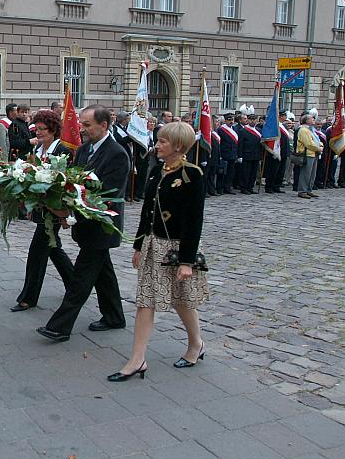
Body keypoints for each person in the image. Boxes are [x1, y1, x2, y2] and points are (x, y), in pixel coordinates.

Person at [108, 122, 208, 382]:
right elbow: (146, 213)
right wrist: (139, 246)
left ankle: (196, 344)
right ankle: (137, 359)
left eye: (163, 141)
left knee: (181, 300)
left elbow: (194, 221)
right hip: (154, 245)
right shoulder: (156, 171)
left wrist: (186, 261)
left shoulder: (191, 174)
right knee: (145, 300)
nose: (157, 145)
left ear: (178, 146)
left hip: (176, 248)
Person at [37, 105, 129, 341]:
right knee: (104, 273)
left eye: (87, 125)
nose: (82, 128)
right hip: (87, 225)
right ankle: (114, 317)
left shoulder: (117, 153)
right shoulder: (86, 148)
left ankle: (59, 326)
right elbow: (75, 183)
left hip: (102, 226)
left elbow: (105, 194)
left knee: (82, 278)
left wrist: (72, 212)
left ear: (104, 125)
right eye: (81, 123)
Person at [12, 110, 74, 312]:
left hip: (54, 210)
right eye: (36, 129)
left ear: (53, 129)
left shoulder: (62, 150)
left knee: (37, 253)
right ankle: (76, 285)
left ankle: (28, 297)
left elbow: (64, 182)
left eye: (42, 129)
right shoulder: (38, 150)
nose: (38, 133)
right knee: (54, 249)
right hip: (41, 208)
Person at [295, 113, 323, 199]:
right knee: (306, 173)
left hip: (313, 153)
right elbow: (308, 143)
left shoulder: (311, 130)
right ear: (307, 121)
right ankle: (302, 190)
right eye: (312, 119)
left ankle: (309, 189)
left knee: (312, 174)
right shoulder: (303, 130)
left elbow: (317, 140)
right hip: (307, 154)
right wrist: (318, 148)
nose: (314, 120)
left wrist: (321, 146)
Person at [237, 113, 262, 194]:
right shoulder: (243, 131)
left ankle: (250, 187)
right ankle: (244, 187)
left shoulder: (258, 130)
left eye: (254, 119)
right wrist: (240, 155)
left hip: (256, 154)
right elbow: (240, 144)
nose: (253, 121)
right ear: (248, 120)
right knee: (245, 172)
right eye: (251, 119)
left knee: (253, 173)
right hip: (246, 154)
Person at [217, 113, 238, 194]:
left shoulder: (235, 129)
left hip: (232, 154)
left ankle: (228, 187)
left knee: (230, 172)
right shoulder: (221, 130)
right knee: (222, 173)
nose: (231, 122)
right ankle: (220, 188)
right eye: (229, 120)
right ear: (225, 121)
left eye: (232, 120)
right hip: (224, 154)